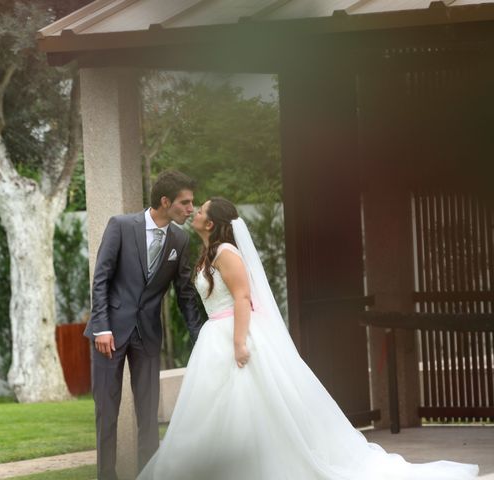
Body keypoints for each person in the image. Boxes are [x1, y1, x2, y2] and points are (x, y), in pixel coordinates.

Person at [137, 197, 479, 480]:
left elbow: (243, 298)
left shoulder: (226, 252)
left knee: (248, 404)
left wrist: (240, 342)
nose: (195, 213)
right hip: (215, 336)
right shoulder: (209, 253)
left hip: (234, 333)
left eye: (201, 210)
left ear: (210, 223)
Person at [84, 170, 203, 480]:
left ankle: (148, 475)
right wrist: (101, 327)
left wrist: (200, 337)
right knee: (107, 413)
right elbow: (101, 278)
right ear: (165, 202)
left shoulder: (180, 238)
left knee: (149, 415)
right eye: (185, 203)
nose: (191, 209)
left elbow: (185, 293)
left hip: (147, 336)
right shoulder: (121, 226)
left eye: (191, 203)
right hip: (108, 333)